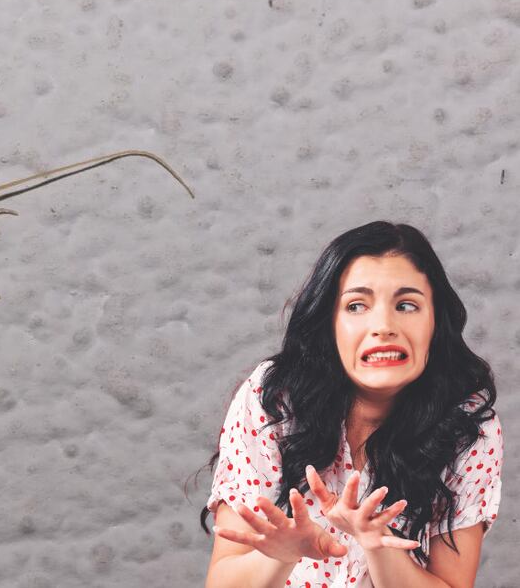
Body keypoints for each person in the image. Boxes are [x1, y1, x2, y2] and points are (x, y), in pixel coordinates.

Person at [202, 221, 502, 588]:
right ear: (330, 323)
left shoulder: (467, 423)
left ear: (435, 322)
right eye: (356, 306)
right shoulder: (274, 397)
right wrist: (280, 557)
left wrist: (379, 547)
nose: (383, 326)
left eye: (407, 305)